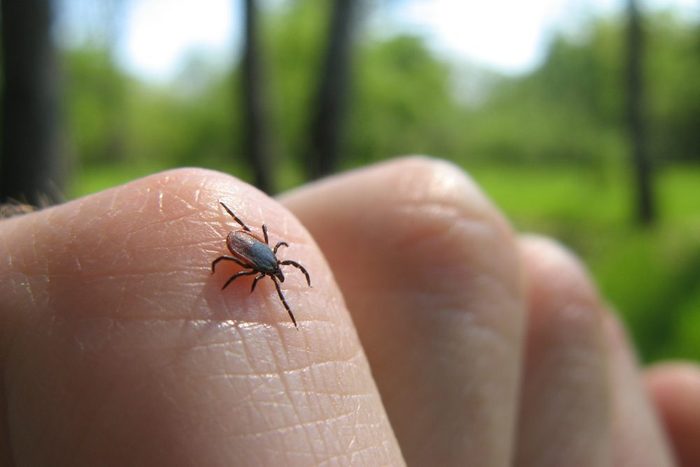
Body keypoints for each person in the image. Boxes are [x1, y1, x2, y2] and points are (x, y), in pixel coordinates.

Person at [0, 157, 698, 466]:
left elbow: (240, 257)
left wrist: (245, 259)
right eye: (267, 266)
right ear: (263, 259)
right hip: (233, 231)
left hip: (236, 234)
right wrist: (245, 254)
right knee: (219, 253)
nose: (269, 270)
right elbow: (237, 254)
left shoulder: (255, 262)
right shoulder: (257, 259)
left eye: (268, 267)